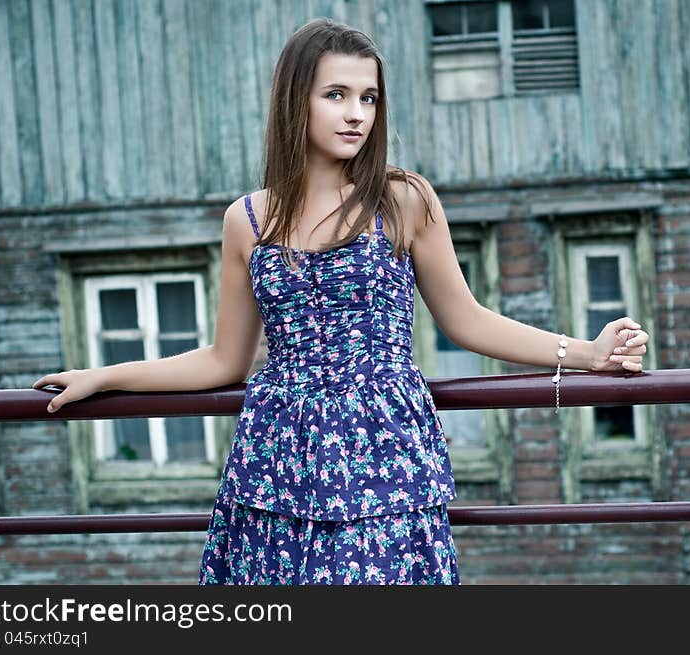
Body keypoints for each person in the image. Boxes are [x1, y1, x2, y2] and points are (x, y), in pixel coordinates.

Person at [32, 18, 649, 585]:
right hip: (279, 459)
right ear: (293, 100)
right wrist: (105, 376)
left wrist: (587, 354)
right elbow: (223, 362)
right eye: (336, 95)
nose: (357, 114)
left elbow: (465, 319)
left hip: (385, 456)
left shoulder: (403, 200)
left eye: (368, 98)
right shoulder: (247, 220)